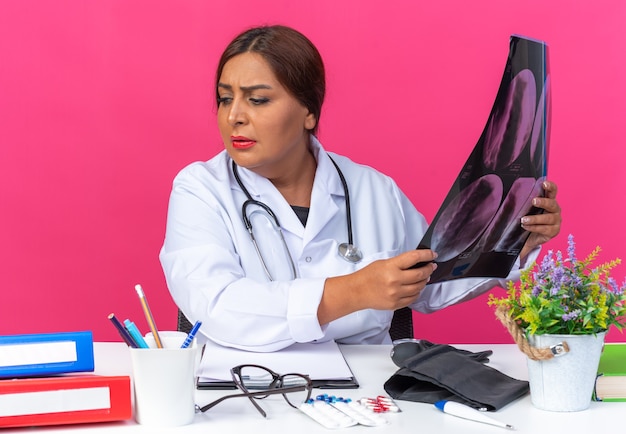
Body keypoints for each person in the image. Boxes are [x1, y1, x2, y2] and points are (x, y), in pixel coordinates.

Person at [159, 25, 561, 352]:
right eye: (224, 98)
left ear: (309, 112)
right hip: (247, 389)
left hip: (370, 395)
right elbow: (216, 307)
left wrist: (514, 242)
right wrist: (354, 291)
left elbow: (430, 287)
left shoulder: (373, 190)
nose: (234, 116)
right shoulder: (200, 189)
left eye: (258, 100)